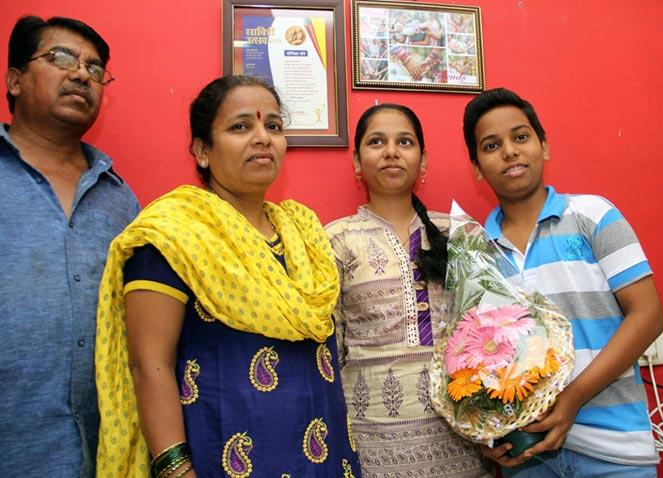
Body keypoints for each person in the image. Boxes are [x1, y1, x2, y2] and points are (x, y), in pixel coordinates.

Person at [95, 75, 360, 477]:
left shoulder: (304, 233)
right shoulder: (173, 234)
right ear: (203, 150)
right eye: (241, 126)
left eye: (273, 126)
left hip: (325, 452)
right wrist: (175, 468)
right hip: (224, 455)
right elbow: (149, 364)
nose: (262, 138)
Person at [462, 87, 663, 477]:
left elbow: (648, 315)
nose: (509, 151)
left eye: (520, 137)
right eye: (491, 145)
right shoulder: (476, 254)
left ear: (544, 146)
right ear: (476, 168)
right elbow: (476, 359)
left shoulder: (593, 215)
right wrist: (488, 438)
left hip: (615, 452)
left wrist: (571, 400)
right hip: (528, 457)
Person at [0, 15, 139, 477]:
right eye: (61, 58)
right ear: (15, 79)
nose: (82, 74)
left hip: (105, 455)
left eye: (95, 68)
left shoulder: (121, 199)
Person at [326, 104, 492, 477]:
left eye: (404, 141)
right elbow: (329, 354)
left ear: (423, 158)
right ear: (357, 160)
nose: (391, 151)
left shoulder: (460, 234)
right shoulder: (335, 240)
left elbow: (495, 336)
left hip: (462, 439)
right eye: (376, 142)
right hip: (371, 445)